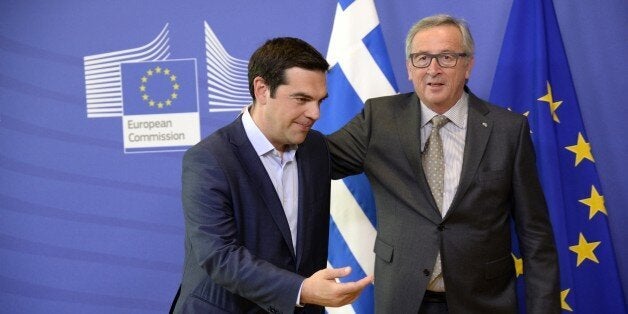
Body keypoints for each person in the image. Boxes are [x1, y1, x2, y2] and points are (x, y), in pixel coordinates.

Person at [327, 14, 560, 313]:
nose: (433, 69)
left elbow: (535, 234)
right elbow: (319, 161)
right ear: (409, 68)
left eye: (447, 57)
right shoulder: (379, 119)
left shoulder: (508, 130)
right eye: (422, 58)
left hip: (484, 302)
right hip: (403, 300)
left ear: (468, 65)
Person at [171, 37, 373, 314]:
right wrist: (303, 290)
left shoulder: (315, 148)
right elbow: (220, 257)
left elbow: (375, 139)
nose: (315, 113)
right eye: (302, 99)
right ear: (262, 89)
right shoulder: (209, 159)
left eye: (319, 101)